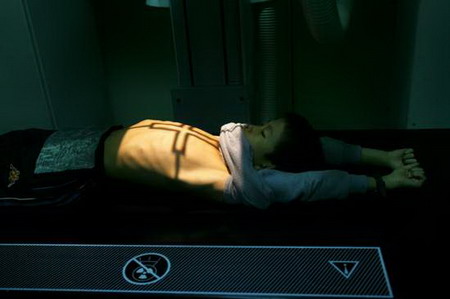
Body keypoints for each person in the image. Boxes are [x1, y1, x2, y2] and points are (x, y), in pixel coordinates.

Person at [0, 113, 426, 209]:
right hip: (81, 137)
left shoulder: (241, 180)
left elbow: (315, 180)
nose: (254, 127)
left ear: (270, 163)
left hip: (65, 172)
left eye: (264, 133)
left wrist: (380, 184)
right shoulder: (232, 144)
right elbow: (313, 145)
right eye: (265, 124)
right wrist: (378, 155)